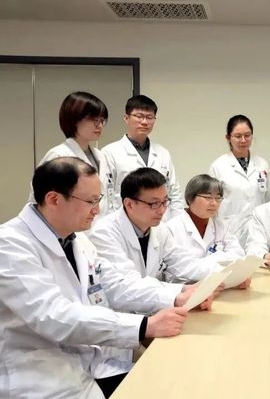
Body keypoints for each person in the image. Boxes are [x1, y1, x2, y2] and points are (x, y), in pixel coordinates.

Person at [0, 157, 187, 399]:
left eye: (98, 200)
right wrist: (143, 326)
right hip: (39, 379)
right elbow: (54, 316)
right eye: (91, 201)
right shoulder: (10, 245)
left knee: (175, 381)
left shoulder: (78, 240)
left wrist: (177, 295)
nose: (97, 210)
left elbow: (116, 284)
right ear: (54, 199)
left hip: (90, 365)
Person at [89, 167, 221, 316]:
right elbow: (123, 287)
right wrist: (178, 295)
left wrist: (223, 275)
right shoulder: (104, 233)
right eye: (154, 204)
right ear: (129, 204)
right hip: (120, 318)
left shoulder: (160, 230)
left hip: (151, 312)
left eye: (164, 202)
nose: (162, 210)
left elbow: (183, 263)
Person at [29, 91, 113, 215]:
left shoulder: (100, 156)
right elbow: (39, 200)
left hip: (99, 224)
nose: (100, 125)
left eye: (102, 120)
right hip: (69, 225)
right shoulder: (58, 156)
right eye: (94, 120)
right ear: (74, 119)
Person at [101, 94, 184, 219]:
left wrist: (176, 223)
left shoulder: (163, 153)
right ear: (126, 118)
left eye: (149, 117)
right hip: (124, 222)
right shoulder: (110, 152)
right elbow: (106, 197)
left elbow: (174, 193)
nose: (144, 122)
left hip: (160, 223)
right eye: (139, 116)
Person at [167, 174, 250, 288]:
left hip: (220, 286)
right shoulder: (172, 228)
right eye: (208, 197)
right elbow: (183, 267)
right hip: (186, 289)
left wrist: (212, 262)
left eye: (218, 198)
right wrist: (220, 261)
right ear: (190, 199)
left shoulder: (221, 226)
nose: (214, 203)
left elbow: (238, 255)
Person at [209, 115, 270, 249]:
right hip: (229, 229)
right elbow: (213, 202)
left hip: (258, 229)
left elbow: (266, 198)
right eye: (238, 136)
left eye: (247, 135)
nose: (243, 140)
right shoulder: (218, 166)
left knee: (257, 258)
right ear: (228, 138)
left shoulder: (262, 164)